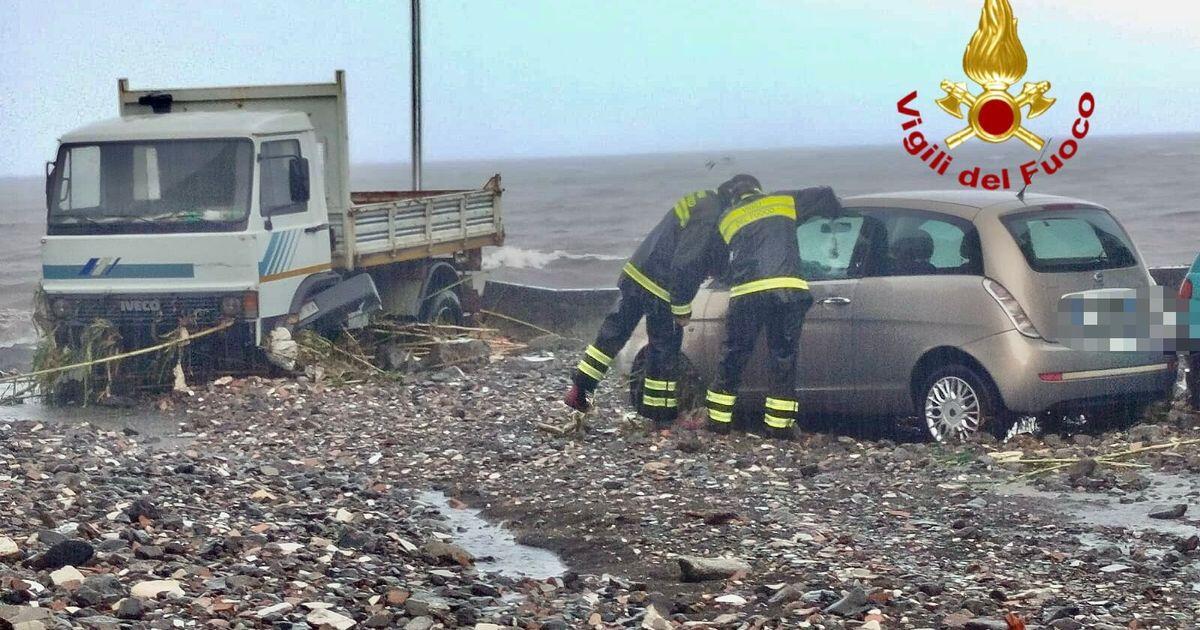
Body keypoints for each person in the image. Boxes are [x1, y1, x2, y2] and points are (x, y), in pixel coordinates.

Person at [564, 183, 731, 427]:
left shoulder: (700, 202)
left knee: (612, 335)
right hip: (661, 287)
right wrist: (682, 306)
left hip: (638, 273)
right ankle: (661, 416)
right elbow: (687, 260)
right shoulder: (711, 214)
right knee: (665, 349)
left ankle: (580, 390)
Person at [705, 178, 840, 440]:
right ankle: (779, 427)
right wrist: (833, 214)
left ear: (733, 197)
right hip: (789, 291)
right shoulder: (782, 200)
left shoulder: (726, 218)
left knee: (734, 355)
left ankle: (718, 422)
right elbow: (825, 193)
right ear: (758, 189)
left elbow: (718, 263)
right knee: (783, 357)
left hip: (748, 294)